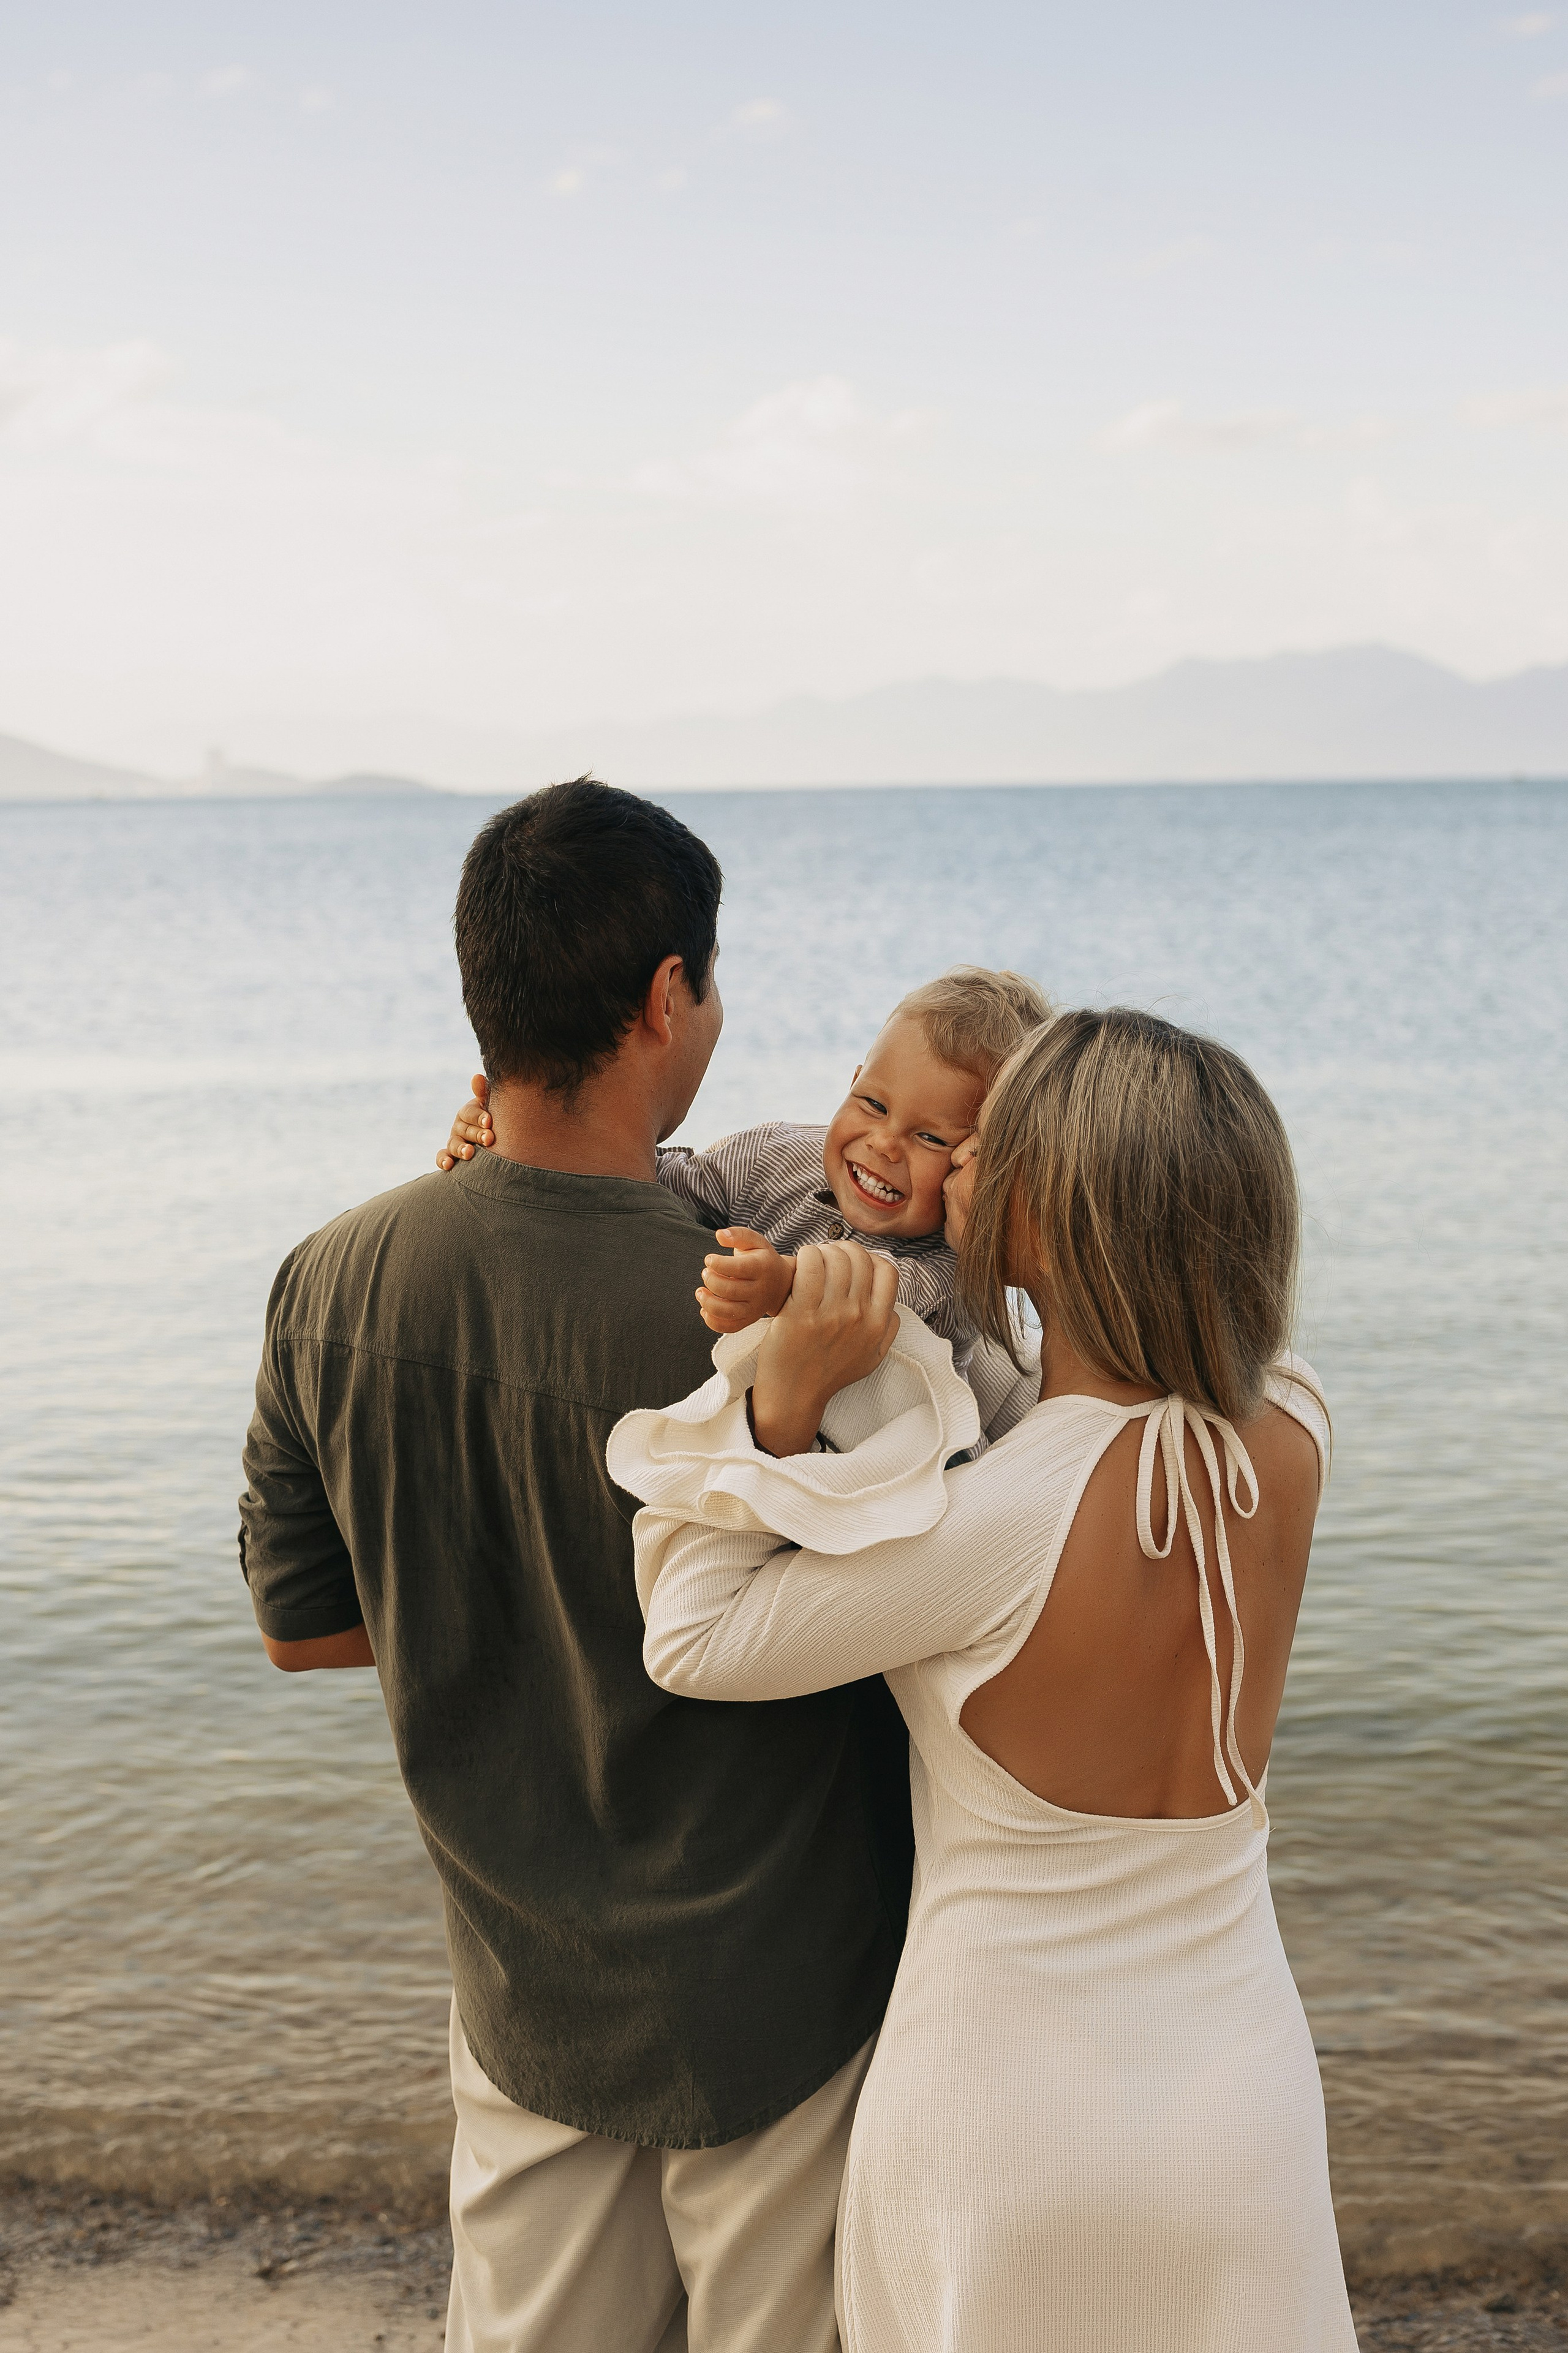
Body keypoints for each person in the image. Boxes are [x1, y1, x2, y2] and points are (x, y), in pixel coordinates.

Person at [237, 778, 919, 2353]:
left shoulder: (329, 1275)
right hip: (781, 1986)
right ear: (666, 995)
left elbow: (307, 1634)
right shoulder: (775, 1322)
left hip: (521, 1974)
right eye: (713, 980)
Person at [609, 1008, 1359, 2351]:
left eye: (981, 1152)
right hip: (1239, 2098)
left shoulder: (993, 1518)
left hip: (1006, 2112)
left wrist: (772, 1398)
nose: (946, 1173)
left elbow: (695, 1635)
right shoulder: (1291, 1422)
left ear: (1042, 1218)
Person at [435, 966, 1051, 1361]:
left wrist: (783, 1285)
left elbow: (880, 1297)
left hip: (892, 1479)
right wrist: (516, 1135)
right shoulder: (774, 1154)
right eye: (871, 1103)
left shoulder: (959, 1266)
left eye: (931, 1137)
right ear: (854, 1078)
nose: (885, 1144)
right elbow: (652, 1183)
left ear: (980, 1157)